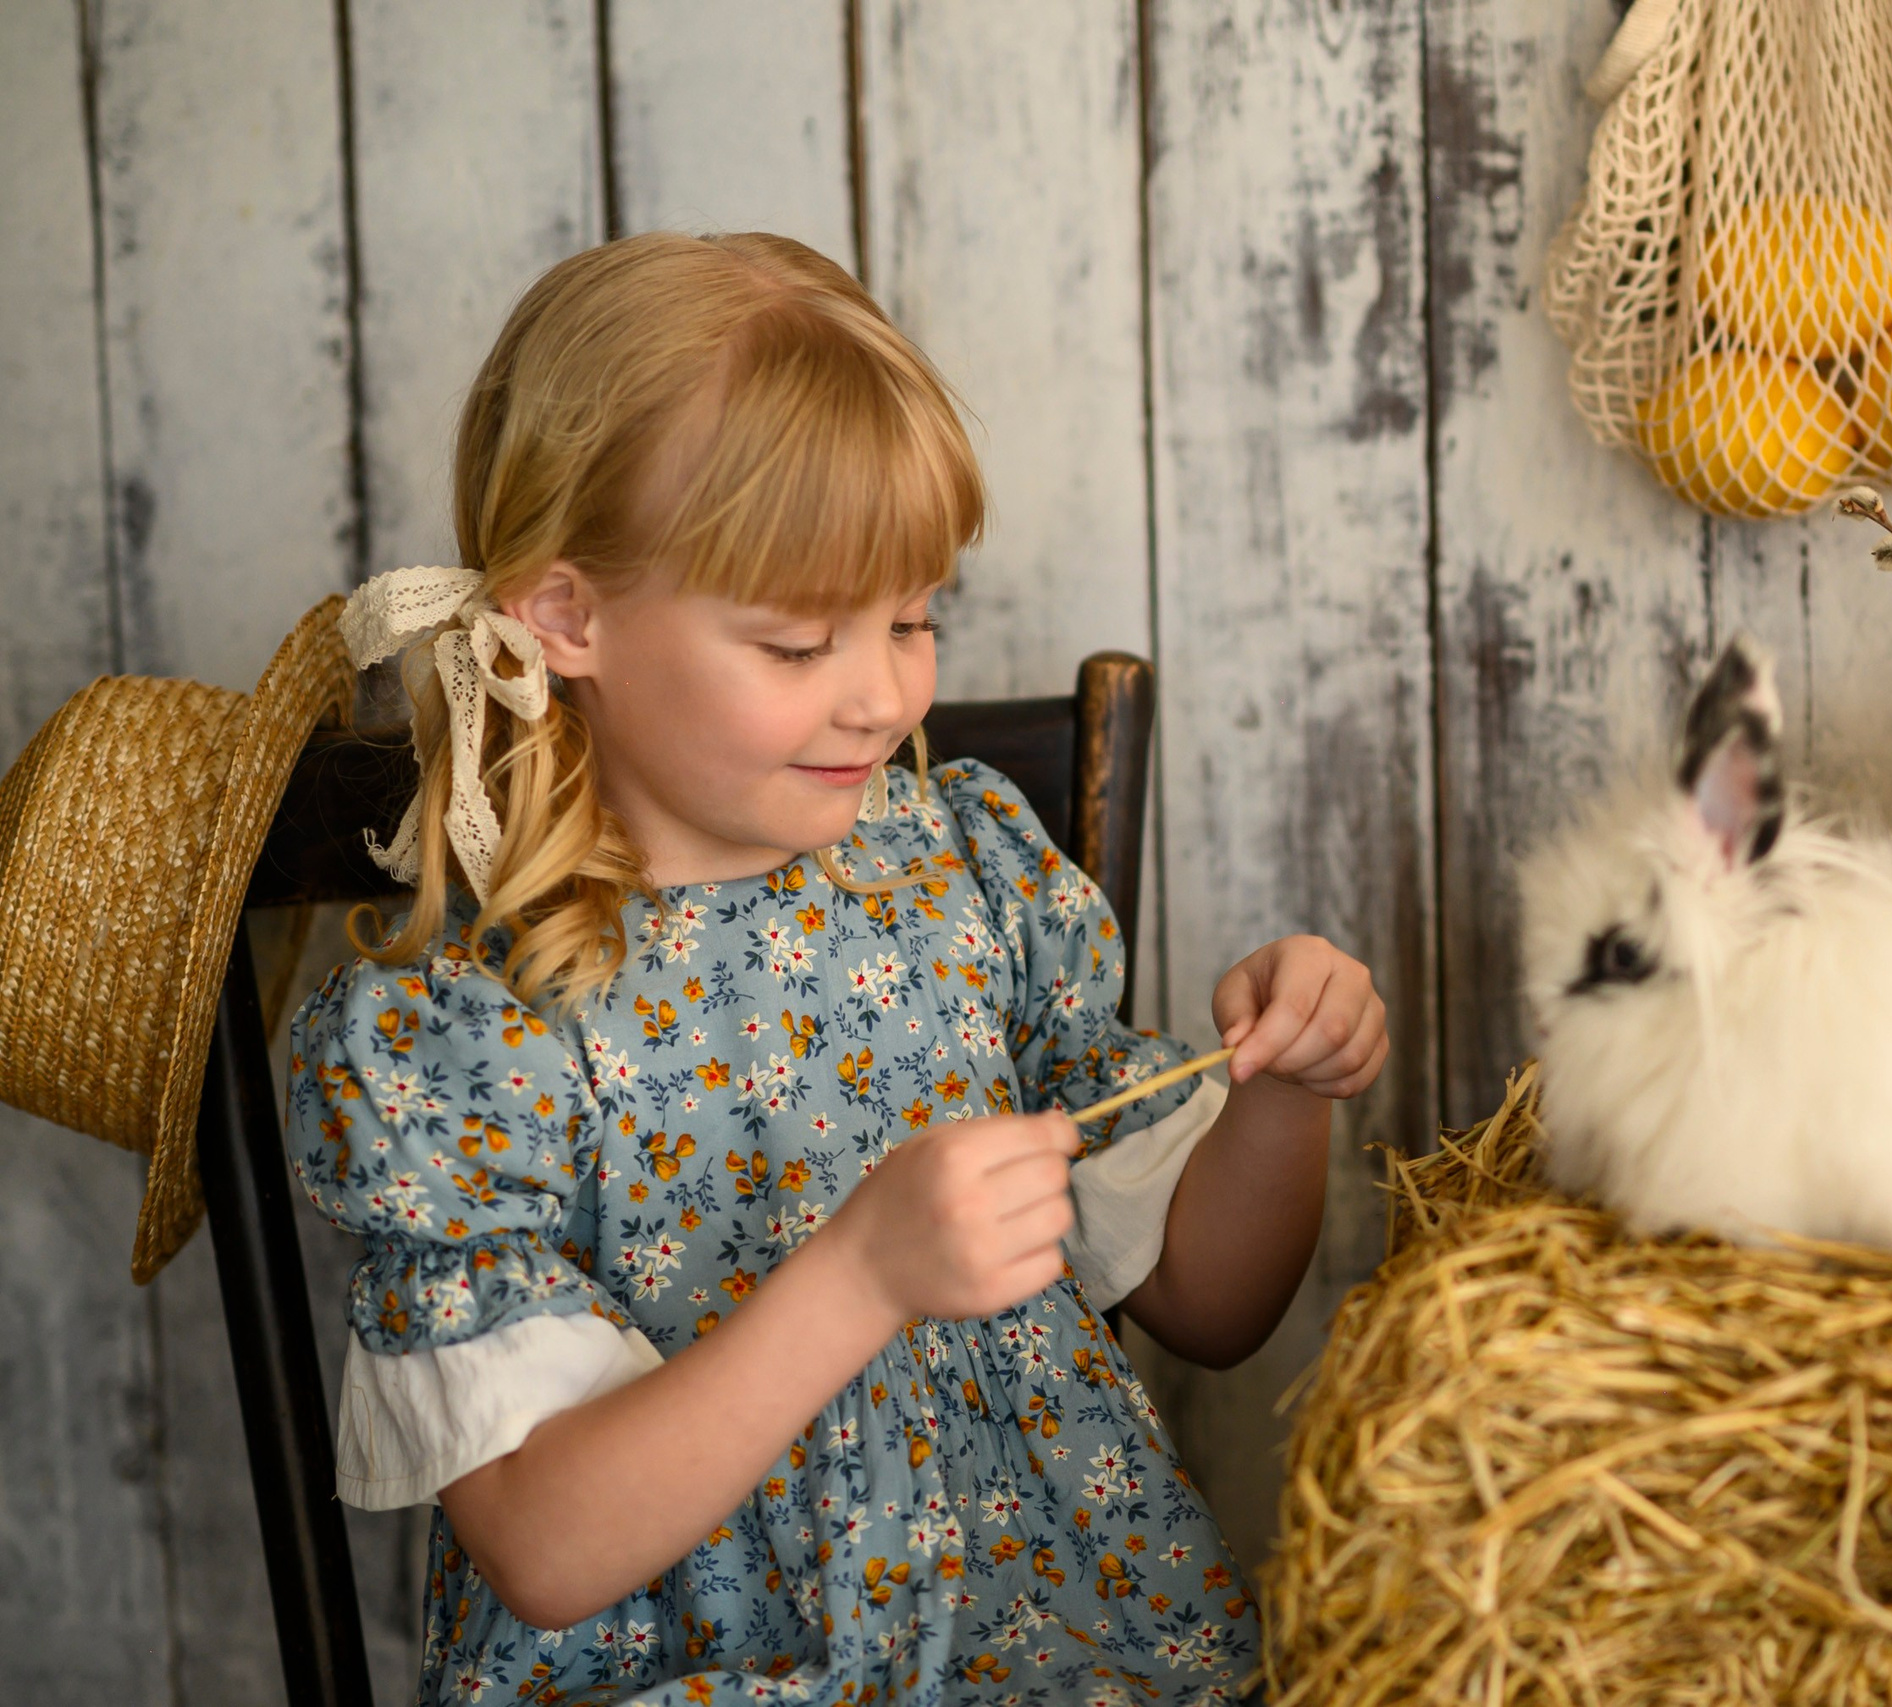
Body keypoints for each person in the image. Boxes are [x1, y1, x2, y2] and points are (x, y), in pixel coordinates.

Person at [285, 231, 1387, 1705]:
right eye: (799, 641)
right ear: (568, 617)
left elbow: (1212, 1305)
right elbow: (542, 1548)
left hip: (1052, 1649)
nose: (879, 694)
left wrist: (1283, 1097)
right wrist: (863, 1274)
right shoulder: (472, 1036)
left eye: (916, 618)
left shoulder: (966, 882)